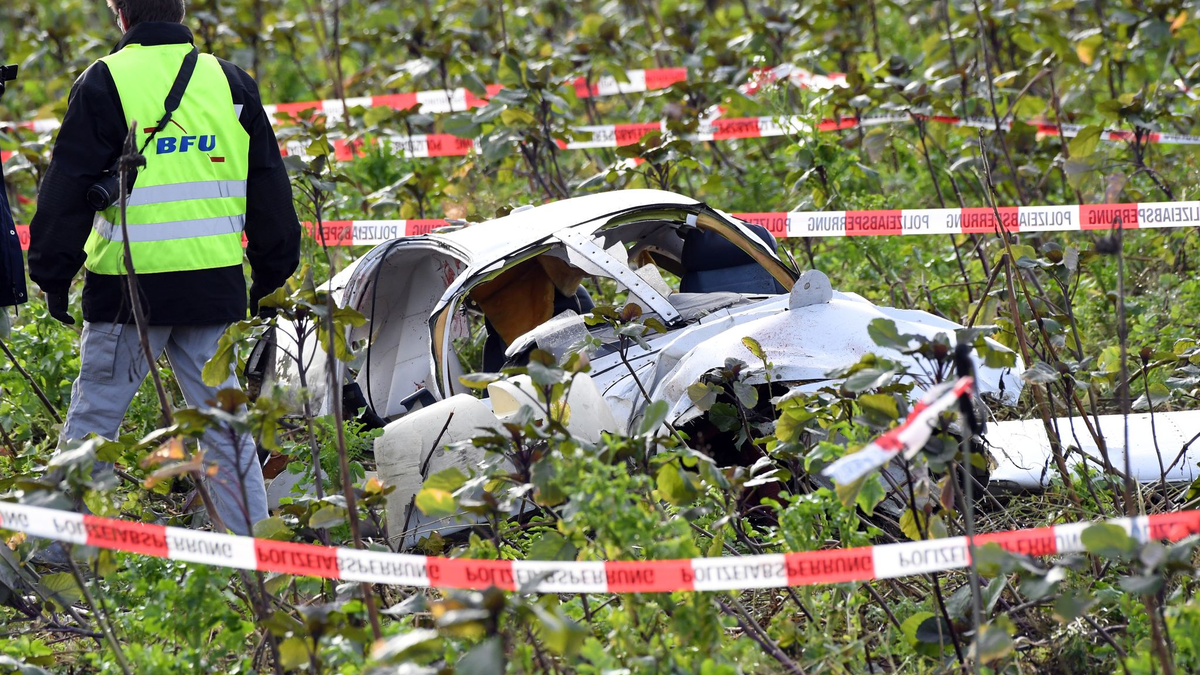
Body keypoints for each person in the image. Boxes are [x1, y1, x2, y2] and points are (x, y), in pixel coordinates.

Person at [27, 0, 300, 535]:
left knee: (93, 425)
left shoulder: (104, 80)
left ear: (120, 15)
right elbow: (269, 187)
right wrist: (270, 275)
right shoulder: (231, 82)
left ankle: (56, 556)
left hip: (127, 294)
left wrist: (51, 275)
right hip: (213, 288)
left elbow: (65, 189)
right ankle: (252, 555)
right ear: (179, 12)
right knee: (225, 427)